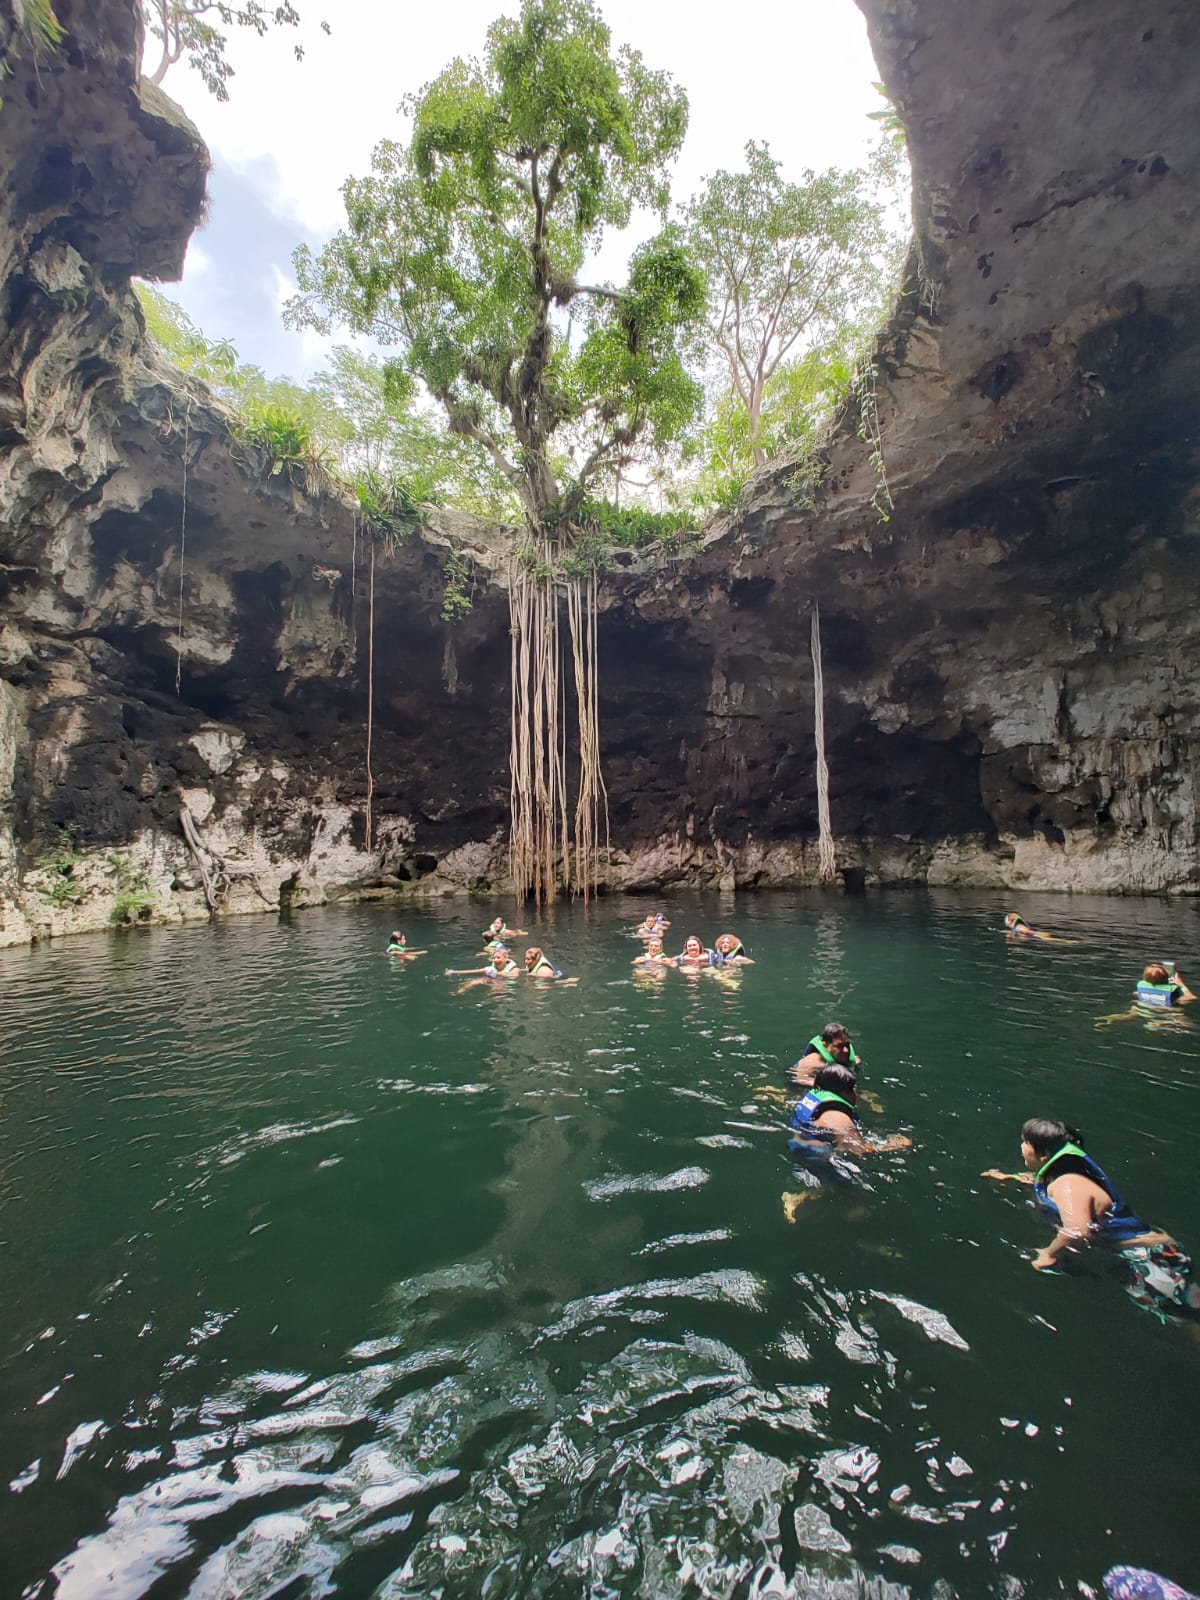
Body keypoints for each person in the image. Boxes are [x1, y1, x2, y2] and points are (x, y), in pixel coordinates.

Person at [982, 1118, 1200, 1319]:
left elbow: (1077, 1231)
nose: (1021, 1147)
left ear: (1044, 1155)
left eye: (1025, 1142)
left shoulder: (1067, 1184)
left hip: (1147, 1259)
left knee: (1188, 1322)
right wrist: (1012, 1178)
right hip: (1148, 1253)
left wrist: (1048, 1253)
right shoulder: (1065, 1173)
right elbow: (1045, 1183)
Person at [788, 1063, 911, 1157]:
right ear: (844, 1092)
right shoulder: (839, 1118)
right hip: (821, 1159)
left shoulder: (812, 1102)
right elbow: (858, 1151)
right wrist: (893, 1146)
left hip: (798, 1146)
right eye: (852, 1089)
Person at [790, 1023, 861, 1089]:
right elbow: (798, 1079)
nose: (846, 1050)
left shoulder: (851, 1059)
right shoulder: (813, 1062)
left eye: (847, 1045)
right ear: (825, 1045)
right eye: (840, 1046)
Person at [445, 945, 522, 981]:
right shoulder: (490, 969)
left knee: (500, 985)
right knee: (473, 982)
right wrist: (454, 972)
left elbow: (514, 976)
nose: (495, 960)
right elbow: (472, 971)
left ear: (506, 958)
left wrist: (503, 974)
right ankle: (457, 994)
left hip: (506, 988)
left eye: (498, 957)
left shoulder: (514, 969)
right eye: (494, 958)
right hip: (491, 981)